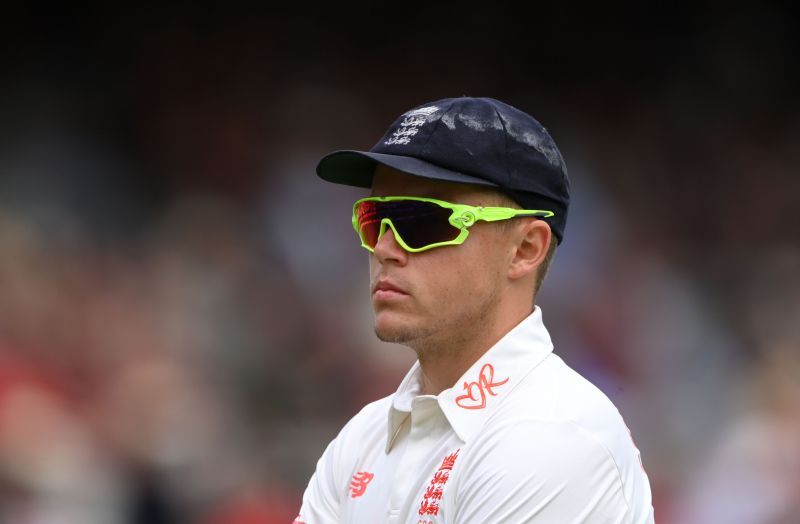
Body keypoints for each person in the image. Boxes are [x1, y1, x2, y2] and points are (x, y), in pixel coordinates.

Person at [294, 97, 654, 523]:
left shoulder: (553, 434)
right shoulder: (362, 438)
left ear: (525, 249)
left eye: (421, 221)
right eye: (374, 219)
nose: (385, 249)